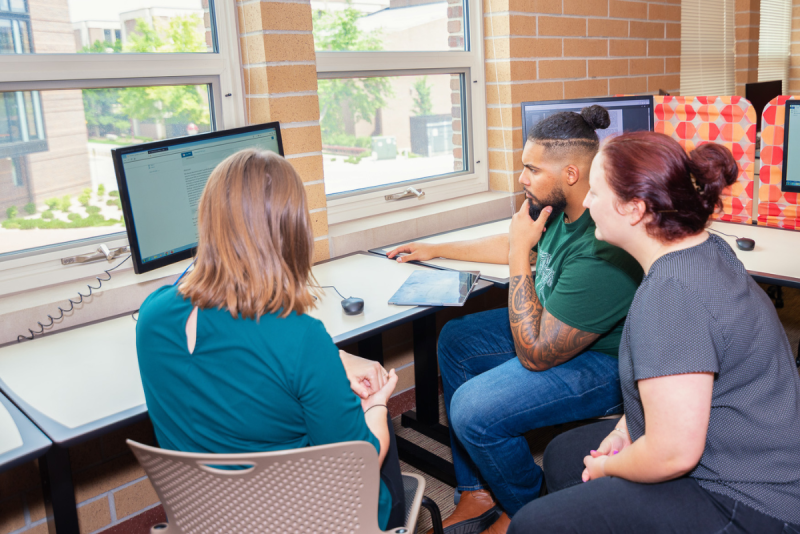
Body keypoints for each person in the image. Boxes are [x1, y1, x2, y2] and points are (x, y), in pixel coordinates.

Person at [509, 132, 800, 534]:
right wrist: (622, 429)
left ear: (634, 209)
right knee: (563, 453)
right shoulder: (703, 247)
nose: (587, 202)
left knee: (531, 525)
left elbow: (673, 453)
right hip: (734, 440)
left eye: (595, 192)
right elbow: (675, 385)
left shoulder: (672, 297)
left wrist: (610, 465)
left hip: (750, 500)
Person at [388, 107, 643, 534]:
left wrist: (516, 259)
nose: (522, 178)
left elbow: (537, 354)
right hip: (552, 322)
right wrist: (437, 248)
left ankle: (529, 509)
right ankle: (478, 491)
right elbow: (516, 241)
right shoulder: (560, 207)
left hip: (603, 363)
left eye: (531, 169)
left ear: (571, 175)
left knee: (473, 409)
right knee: (456, 337)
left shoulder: (603, 246)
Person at [135, 149, 405, 530]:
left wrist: (334, 361)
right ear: (291, 231)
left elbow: (233, 350)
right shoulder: (300, 336)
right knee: (380, 440)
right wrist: (376, 406)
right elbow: (358, 467)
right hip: (307, 522)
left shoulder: (151, 318)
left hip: (207, 521)